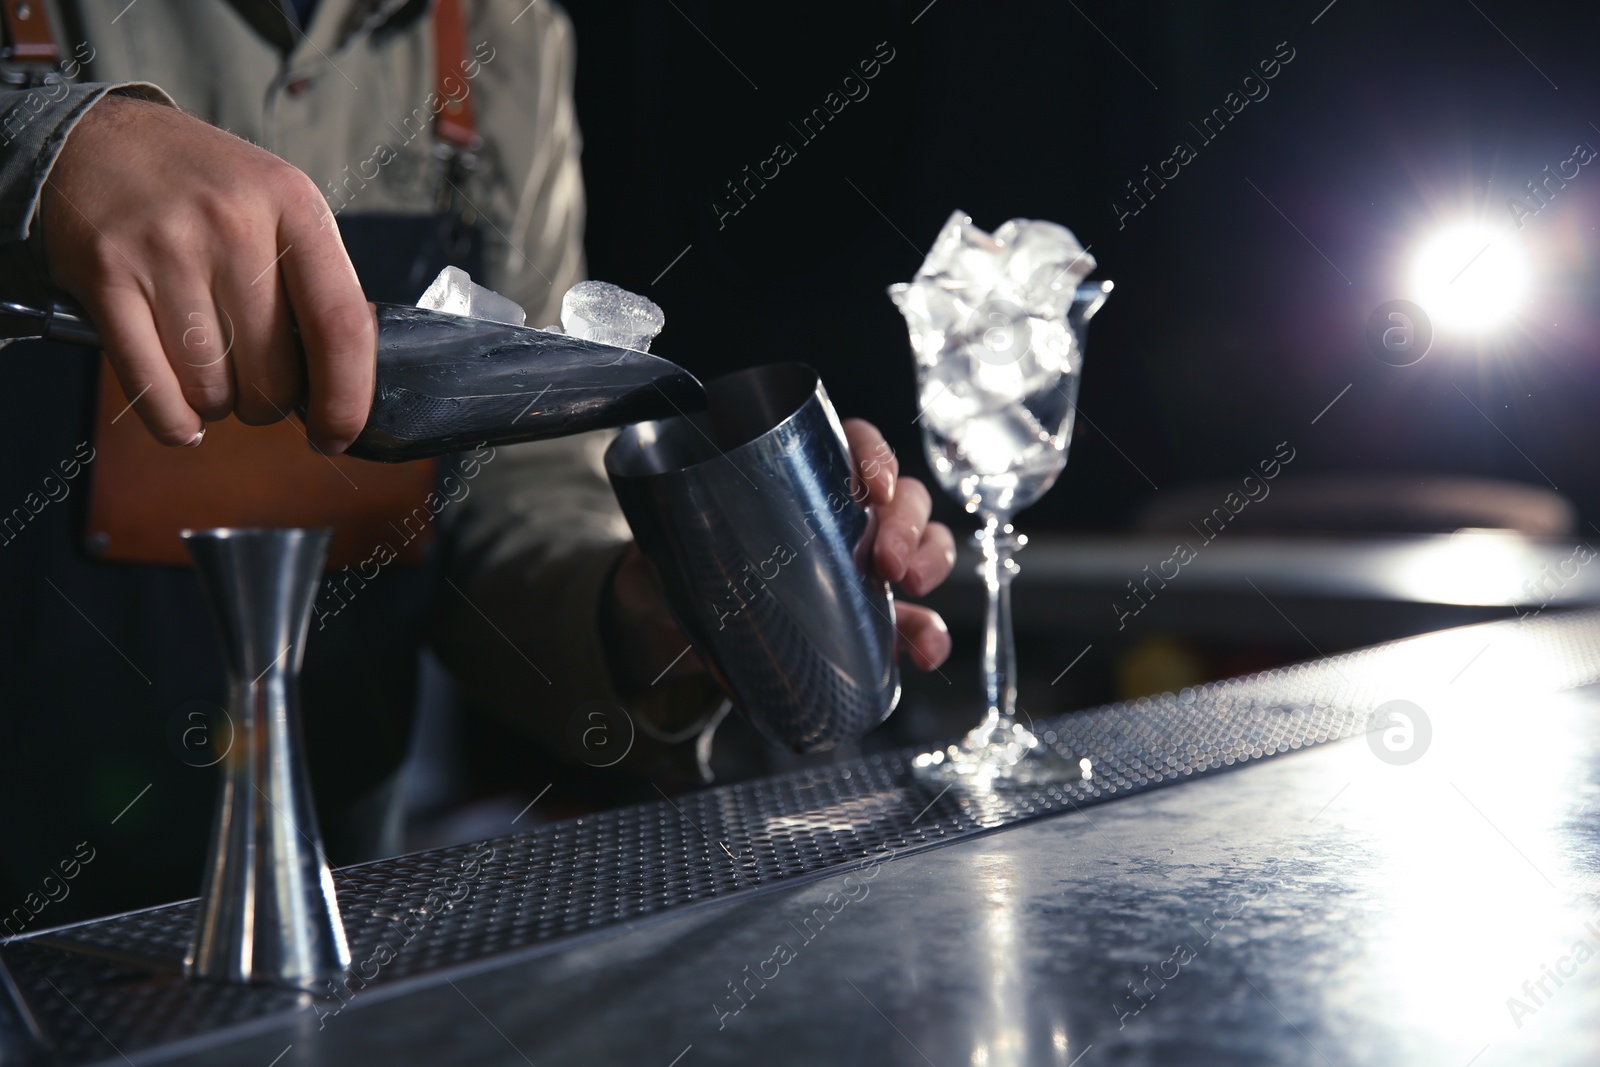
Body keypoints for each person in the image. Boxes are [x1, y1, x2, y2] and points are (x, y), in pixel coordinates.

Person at [0, 0, 954, 925]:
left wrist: (647, 611)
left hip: (324, 891)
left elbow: (512, 488)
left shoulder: (504, 34)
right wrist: (48, 143)